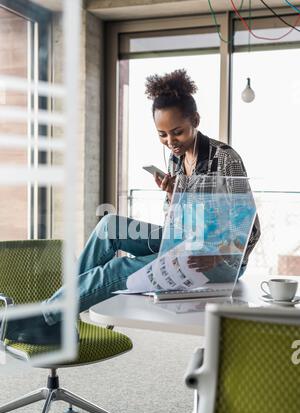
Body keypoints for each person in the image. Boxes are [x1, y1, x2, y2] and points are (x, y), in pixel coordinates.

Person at [5, 69, 260, 345]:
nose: (170, 142)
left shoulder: (225, 159)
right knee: (108, 226)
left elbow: (250, 229)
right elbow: (178, 223)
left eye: (177, 132)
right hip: (184, 242)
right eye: (162, 135)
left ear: (195, 121)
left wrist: (216, 255)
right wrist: (174, 195)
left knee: (117, 269)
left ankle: (48, 317)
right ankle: (61, 318)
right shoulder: (178, 160)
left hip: (220, 260)